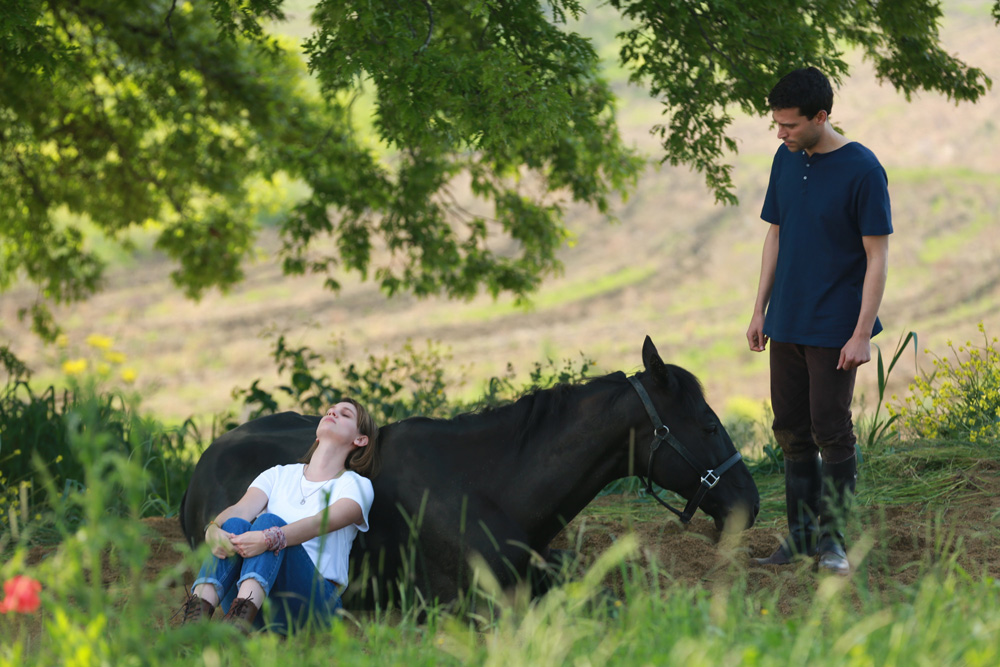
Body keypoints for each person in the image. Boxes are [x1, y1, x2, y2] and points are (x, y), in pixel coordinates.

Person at [746, 67, 892, 575]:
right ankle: (800, 538)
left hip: (835, 328)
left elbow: (877, 257)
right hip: (785, 321)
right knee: (790, 430)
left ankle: (833, 542)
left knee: (831, 431)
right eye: (776, 124)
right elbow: (776, 235)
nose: (780, 133)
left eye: (788, 124)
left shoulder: (863, 170)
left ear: (820, 117)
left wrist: (860, 334)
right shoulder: (784, 161)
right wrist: (760, 308)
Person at [177, 399, 380, 633]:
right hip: (259, 606)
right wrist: (212, 528)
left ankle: (239, 624)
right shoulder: (278, 474)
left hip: (311, 605)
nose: (332, 413)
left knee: (268, 522)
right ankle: (195, 621)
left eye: (345, 414)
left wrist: (270, 538)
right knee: (234, 524)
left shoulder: (356, 485)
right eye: (330, 411)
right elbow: (240, 510)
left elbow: (321, 523)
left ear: (360, 439)